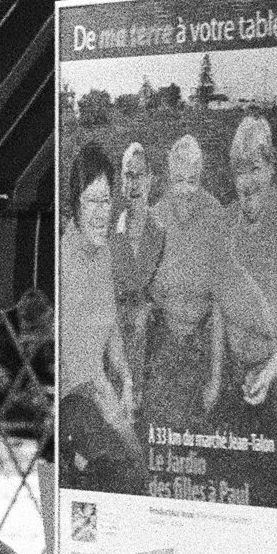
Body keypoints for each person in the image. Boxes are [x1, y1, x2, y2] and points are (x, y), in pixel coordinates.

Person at [214, 110, 277, 507]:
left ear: (270, 167)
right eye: (238, 172)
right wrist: (217, 374)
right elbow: (217, 300)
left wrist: (268, 373)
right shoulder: (227, 220)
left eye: (254, 169)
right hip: (234, 365)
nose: (246, 182)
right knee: (225, 471)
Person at [54, 138, 147, 495]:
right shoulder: (64, 257)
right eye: (90, 201)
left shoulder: (105, 252)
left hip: (97, 393)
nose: (99, 212)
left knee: (138, 463)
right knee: (127, 469)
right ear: (75, 205)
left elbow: (110, 329)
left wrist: (126, 380)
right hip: (72, 400)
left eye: (105, 200)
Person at [140, 131, 225, 474]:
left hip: (204, 337)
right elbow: (143, 290)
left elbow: (220, 304)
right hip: (165, 337)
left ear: (201, 178)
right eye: (179, 180)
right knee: (161, 429)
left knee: (204, 436)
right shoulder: (154, 217)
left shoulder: (216, 216)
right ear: (168, 178)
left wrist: (216, 377)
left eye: (193, 180)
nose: (186, 189)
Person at [108, 139, 162, 396]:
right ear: (121, 181)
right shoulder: (108, 233)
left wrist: (146, 308)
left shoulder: (161, 234)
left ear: (150, 179)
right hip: (113, 342)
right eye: (129, 175)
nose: (135, 183)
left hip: (150, 346)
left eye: (140, 175)